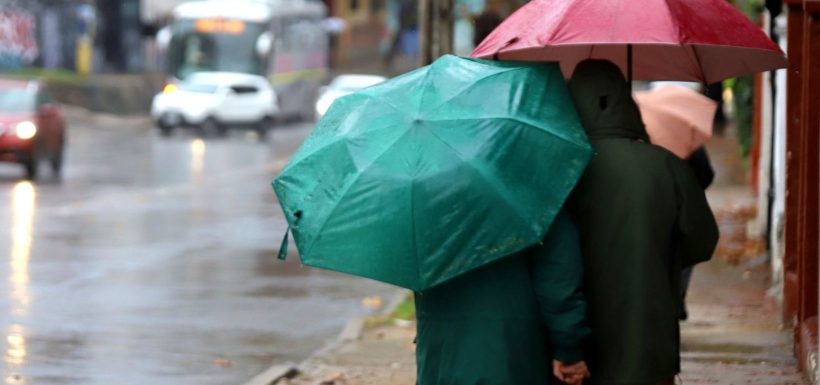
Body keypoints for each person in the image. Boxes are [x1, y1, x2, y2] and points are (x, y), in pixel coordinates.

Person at [566, 60, 719, 385]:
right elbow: (703, 240)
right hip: (650, 342)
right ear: (625, 102)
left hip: (580, 346)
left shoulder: (562, 169)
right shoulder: (666, 166)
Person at [415, 211, 591, 385]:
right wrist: (568, 351)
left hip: (437, 355)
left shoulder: (424, 204)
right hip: (509, 354)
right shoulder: (535, 202)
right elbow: (558, 284)